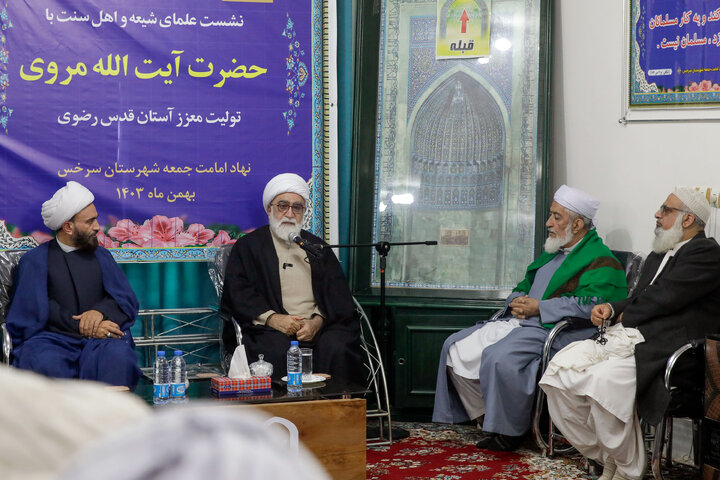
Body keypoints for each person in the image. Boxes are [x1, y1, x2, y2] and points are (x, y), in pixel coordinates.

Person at [540, 187, 720, 480]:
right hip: (631, 337)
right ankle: (611, 455)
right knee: (558, 374)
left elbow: (666, 297)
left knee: (601, 383)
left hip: (668, 350)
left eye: (665, 209)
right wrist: (611, 308)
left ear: (687, 220)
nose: (657, 214)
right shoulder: (658, 253)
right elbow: (643, 295)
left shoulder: (707, 253)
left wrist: (627, 314)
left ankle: (627, 469)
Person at [433, 185, 628, 451]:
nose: (548, 223)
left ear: (578, 223)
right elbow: (525, 283)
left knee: (499, 358)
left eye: (556, 217)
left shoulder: (601, 260)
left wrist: (541, 308)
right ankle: (487, 417)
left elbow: (593, 304)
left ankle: (511, 431)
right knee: (454, 348)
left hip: (556, 330)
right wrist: (516, 299)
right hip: (521, 322)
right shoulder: (554, 251)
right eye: (551, 215)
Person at [221, 173, 363, 383]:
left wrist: (317, 321)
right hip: (270, 327)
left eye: (297, 207)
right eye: (283, 206)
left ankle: (335, 410)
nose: (289, 213)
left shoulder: (316, 247)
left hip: (317, 327)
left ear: (303, 212)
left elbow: (337, 295)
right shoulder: (249, 246)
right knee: (274, 349)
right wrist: (273, 318)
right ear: (269, 209)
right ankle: (284, 413)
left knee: (338, 345)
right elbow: (238, 292)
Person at [7, 181, 141, 388]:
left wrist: (98, 314)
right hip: (52, 338)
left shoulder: (102, 256)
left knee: (119, 358)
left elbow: (124, 299)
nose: (98, 226)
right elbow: (32, 308)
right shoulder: (35, 260)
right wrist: (80, 326)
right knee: (42, 362)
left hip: (101, 339)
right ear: (68, 227)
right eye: (90, 222)